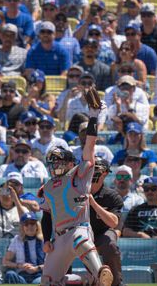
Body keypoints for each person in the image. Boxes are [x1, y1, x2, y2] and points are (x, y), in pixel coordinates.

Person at [38, 91, 114, 286]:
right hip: (59, 237)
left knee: (80, 240)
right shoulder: (47, 187)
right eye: (53, 163)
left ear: (70, 162)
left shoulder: (78, 175)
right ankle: (88, 281)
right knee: (47, 281)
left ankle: (100, 271)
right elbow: (46, 215)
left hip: (79, 229)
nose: (56, 166)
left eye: (60, 162)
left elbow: (90, 146)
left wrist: (94, 117)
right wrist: (47, 239)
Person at [88, 157, 124, 286]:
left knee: (110, 245)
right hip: (80, 232)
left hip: (103, 232)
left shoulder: (112, 196)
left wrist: (92, 202)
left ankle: (116, 283)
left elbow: (113, 223)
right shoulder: (75, 192)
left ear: (105, 173)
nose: (93, 173)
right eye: (91, 169)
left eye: (97, 170)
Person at [2, 212, 44, 284]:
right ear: (22, 227)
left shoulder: (44, 240)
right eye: (26, 224)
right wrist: (20, 265)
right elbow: (5, 261)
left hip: (40, 274)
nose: (29, 226)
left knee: (37, 283)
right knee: (10, 274)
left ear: (37, 226)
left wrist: (36, 268)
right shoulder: (17, 240)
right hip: (22, 275)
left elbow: (52, 263)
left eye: (32, 223)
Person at [0, 173, 30, 239]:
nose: (5, 194)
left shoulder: (22, 209)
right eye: (3, 191)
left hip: (16, 244)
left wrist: (15, 199)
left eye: (9, 191)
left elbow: (26, 222)